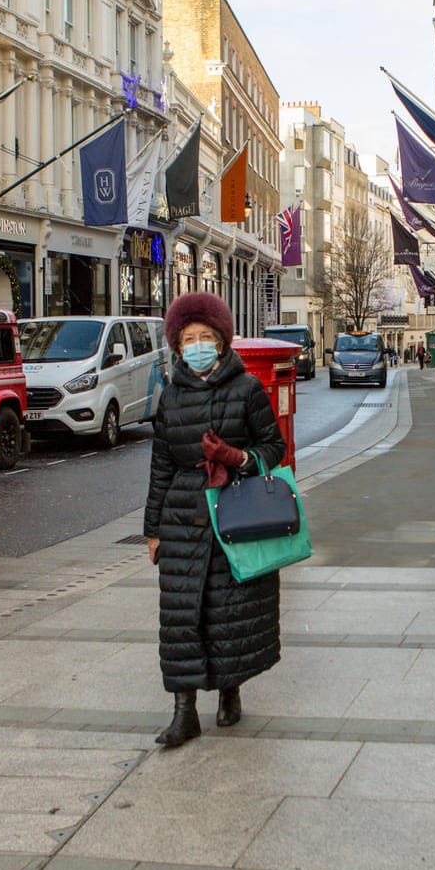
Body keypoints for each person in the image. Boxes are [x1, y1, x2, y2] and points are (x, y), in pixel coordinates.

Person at [143, 292, 287, 748]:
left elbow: (273, 447)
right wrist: (152, 530)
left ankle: (231, 691)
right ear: (178, 346)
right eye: (190, 338)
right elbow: (161, 465)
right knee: (180, 617)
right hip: (184, 516)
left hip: (235, 509)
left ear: (222, 343)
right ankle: (184, 713)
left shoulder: (246, 389)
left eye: (207, 337)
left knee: (230, 613)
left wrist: (238, 458)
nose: (199, 344)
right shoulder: (170, 396)